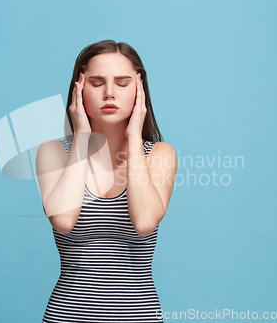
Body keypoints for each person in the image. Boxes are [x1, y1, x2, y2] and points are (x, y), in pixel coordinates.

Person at [36, 40, 177, 322]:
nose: (109, 93)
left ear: (139, 90)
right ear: (79, 88)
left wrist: (134, 139)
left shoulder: (160, 154)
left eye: (123, 83)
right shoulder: (53, 152)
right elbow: (63, 219)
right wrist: (82, 138)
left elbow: (145, 222)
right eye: (97, 82)